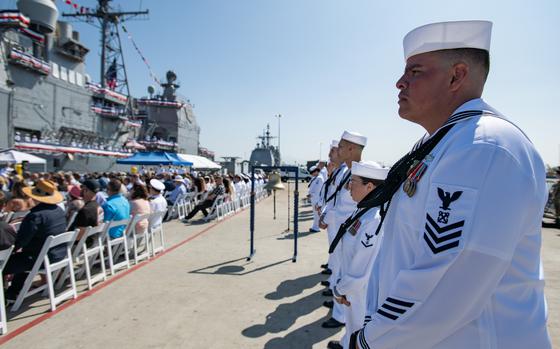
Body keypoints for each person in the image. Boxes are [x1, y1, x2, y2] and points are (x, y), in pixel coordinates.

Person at [352, 21, 551, 349]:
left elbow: (448, 280)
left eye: (415, 71)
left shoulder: (482, 147)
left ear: (456, 76)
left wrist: (369, 341)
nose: (399, 82)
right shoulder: (445, 144)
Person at [326, 161, 388, 349]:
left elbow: (360, 271)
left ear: (369, 186)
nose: (348, 186)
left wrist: (340, 290)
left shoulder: (373, 220)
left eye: (353, 181)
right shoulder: (363, 210)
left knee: (359, 331)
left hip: (360, 292)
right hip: (352, 290)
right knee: (352, 327)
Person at [322, 131, 367, 331]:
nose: (336, 150)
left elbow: (353, 208)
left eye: (340, 146)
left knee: (349, 277)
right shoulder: (346, 172)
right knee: (340, 272)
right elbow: (336, 200)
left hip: (352, 233)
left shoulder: (362, 173)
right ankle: (340, 314)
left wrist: (329, 216)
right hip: (341, 231)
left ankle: (341, 318)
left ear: (351, 149)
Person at [4, 179, 67, 300]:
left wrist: (8, 251)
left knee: (5, 264)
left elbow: (21, 241)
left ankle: (7, 296)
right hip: (58, 254)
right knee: (22, 257)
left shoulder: (35, 216)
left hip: (41, 259)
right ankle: (13, 292)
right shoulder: (59, 211)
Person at [307, 165, 324, 232]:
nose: (312, 174)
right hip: (314, 199)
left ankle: (316, 228)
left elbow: (318, 190)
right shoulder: (314, 178)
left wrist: (311, 194)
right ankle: (314, 227)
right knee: (315, 214)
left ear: (316, 171)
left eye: (313, 172)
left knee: (317, 215)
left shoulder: (319, 178)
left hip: (317, 199)